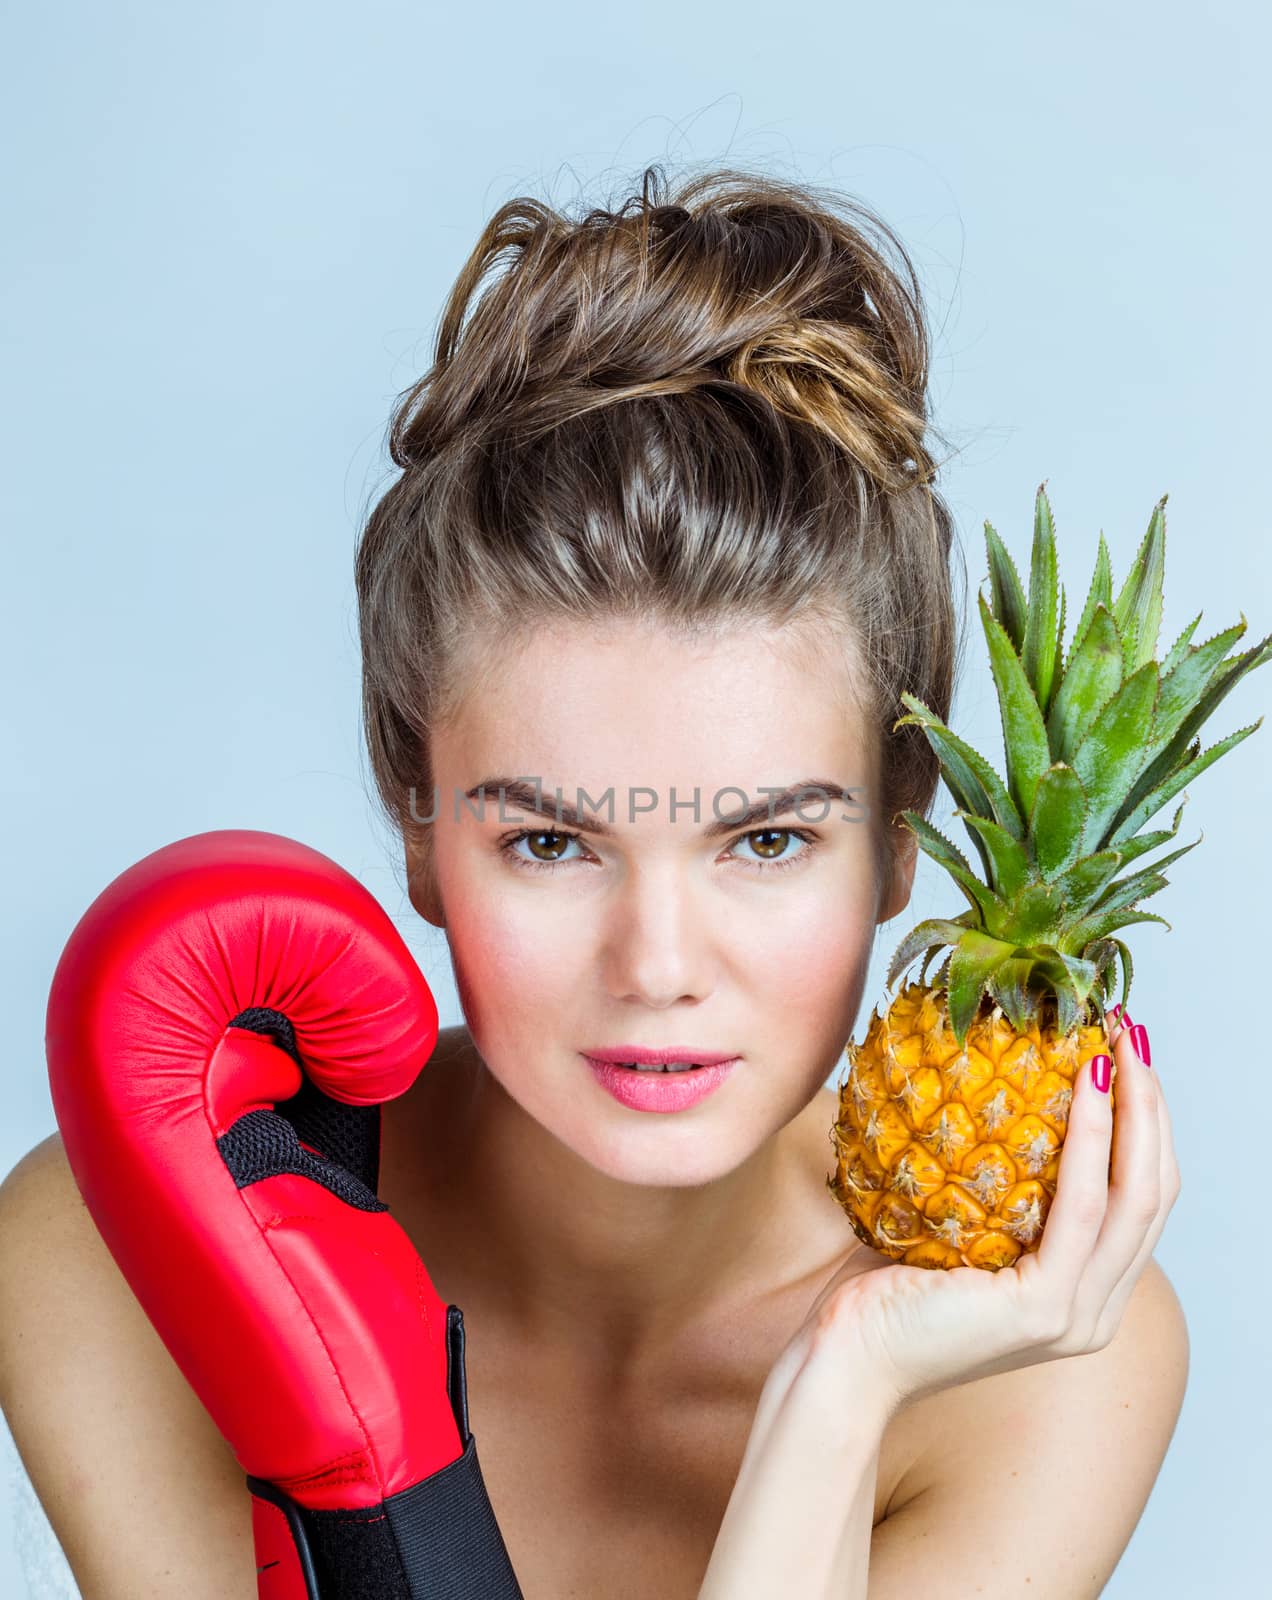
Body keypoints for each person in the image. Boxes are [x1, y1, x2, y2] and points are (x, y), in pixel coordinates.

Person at [0, 163, 1186, 1599]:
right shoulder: (115, 1250)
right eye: (552, 843)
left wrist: (843, 1392)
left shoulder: (1039, 1369)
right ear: (415, 820)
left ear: (899, 844)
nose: (659, 966)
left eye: (767, 840)